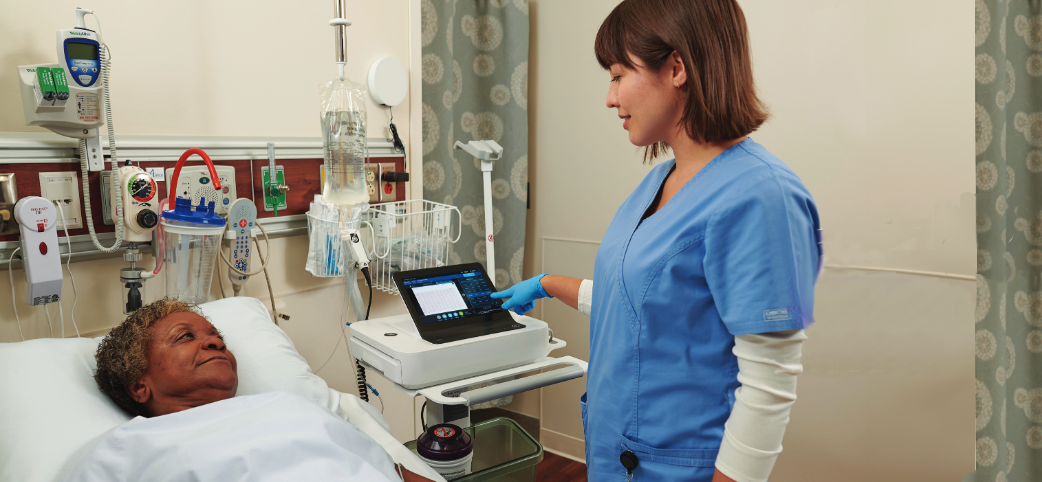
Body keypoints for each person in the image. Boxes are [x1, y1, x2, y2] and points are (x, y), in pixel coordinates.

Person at [490, 1, 822, 481]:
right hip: (618, 456)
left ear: (677, 68)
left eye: (618, 75)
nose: (610, 98)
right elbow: (645, 305)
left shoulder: (761, 196)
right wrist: (545, 284)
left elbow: (769, 383)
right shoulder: (660, 180)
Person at [73, 298, 434, 482]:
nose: (215, 343)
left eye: (217, 337)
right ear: (139, 384)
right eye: (185, 337)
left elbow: (396, 474)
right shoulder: (128, 447)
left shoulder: (291, 407)